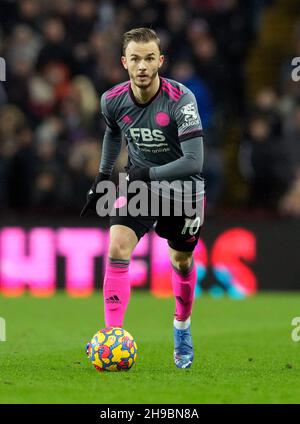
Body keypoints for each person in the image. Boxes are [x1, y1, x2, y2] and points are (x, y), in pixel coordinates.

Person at [81, 28, 205, 369]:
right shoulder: (112, 99)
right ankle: (113, 336)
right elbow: (111, 133)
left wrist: (145, 174)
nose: (142, 66)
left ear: (160, 61)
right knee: (117, 245)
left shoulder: (182, 100)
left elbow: (195, 161)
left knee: (181, 261)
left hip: (183, 190)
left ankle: (181, 327)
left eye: (150, 58)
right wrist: (103, 177)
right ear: (124, 62)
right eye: (135, 58)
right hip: (141, 187)